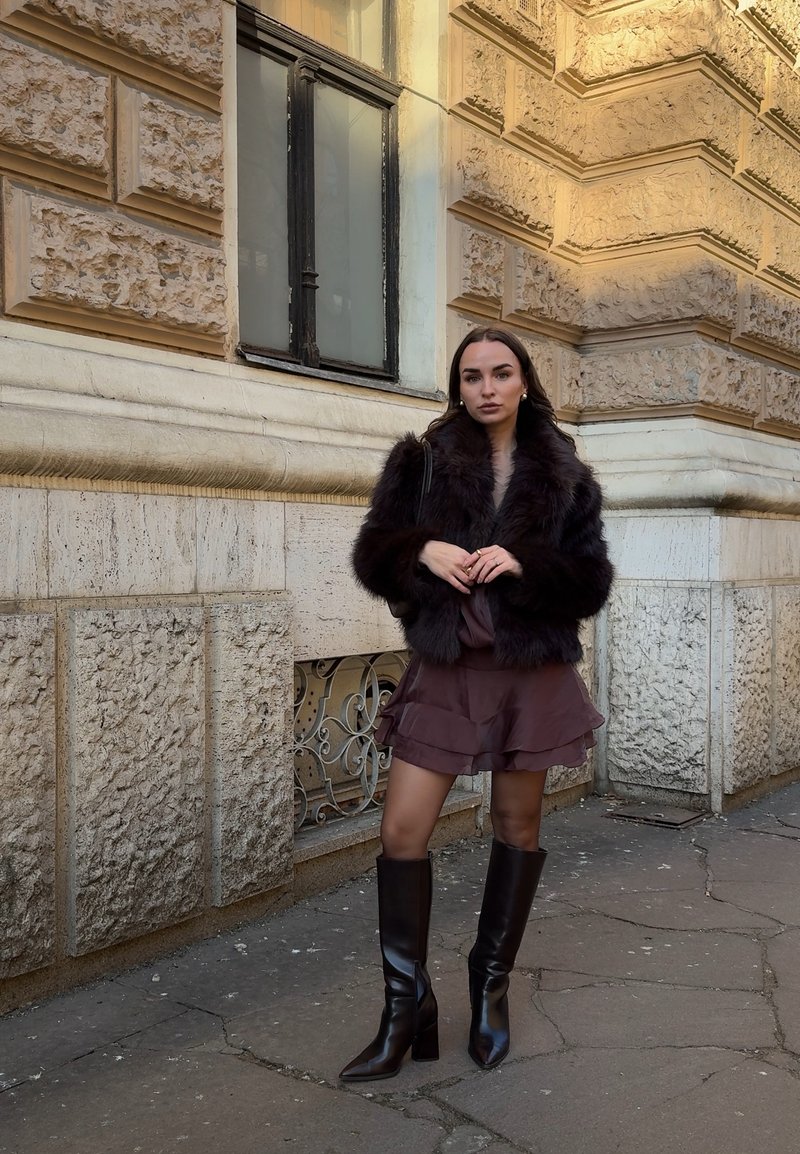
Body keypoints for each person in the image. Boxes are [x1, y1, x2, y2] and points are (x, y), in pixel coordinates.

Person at [340, 326, 613, 1082]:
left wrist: (525, 562)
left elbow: (591, 580)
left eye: (500, 373)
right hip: (449, 666)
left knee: (517, 826)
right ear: (457, 387)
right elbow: (373, 554)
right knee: (402, 831)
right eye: (471, 376)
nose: (487, 388)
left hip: (530, 673)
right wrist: (419, 550)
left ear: (524, 381)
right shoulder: (422, 460)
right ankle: (406, 1007)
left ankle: (489, 987)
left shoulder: (566, 474)